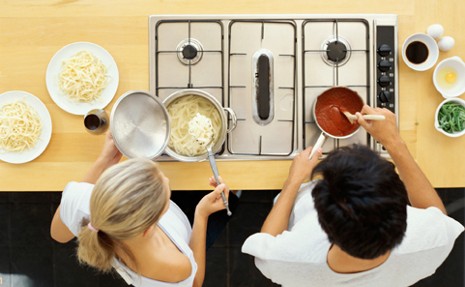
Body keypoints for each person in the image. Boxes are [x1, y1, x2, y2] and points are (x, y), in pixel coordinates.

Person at [242, 105, 464, 287]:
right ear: (402, 209)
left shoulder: (287, 259)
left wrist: (293, 182)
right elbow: (436, 214)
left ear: (322, 222)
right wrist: (394, 143)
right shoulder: (432, 243)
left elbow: (266, 240)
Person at [50, 132, 231, 287]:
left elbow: (58, 234)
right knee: (232, 202)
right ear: (150, 227)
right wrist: (201, 214)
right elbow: (196, 282)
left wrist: (105, 160)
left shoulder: (81, 199)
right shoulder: (171, 264)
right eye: (166, 197)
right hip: (187, 230)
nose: (167, 180)